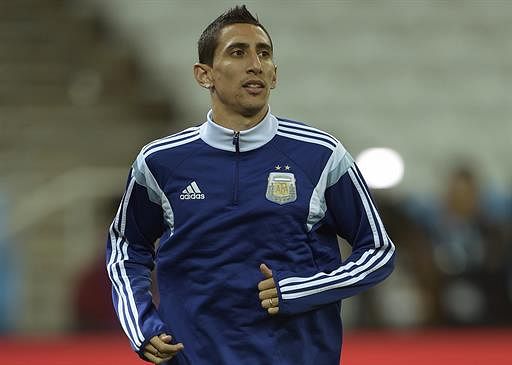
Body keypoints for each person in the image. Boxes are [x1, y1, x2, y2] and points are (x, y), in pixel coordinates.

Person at [106, 5, 395, 364]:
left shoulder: (321, 156)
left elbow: (378, 251)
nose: (255, 64)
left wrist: (301, 289)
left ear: (274, 75)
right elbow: (125, 246)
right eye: (238, 52)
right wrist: (142, 326)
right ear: (204, 75)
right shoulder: (160, 162)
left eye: (264, 53)